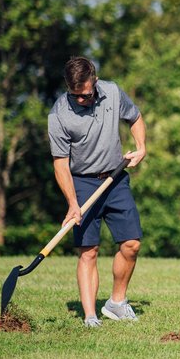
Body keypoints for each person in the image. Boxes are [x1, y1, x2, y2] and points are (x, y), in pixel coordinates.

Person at [47, 56, 147, 328]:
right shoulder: (59, 115)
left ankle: (116, 302)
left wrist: (141, 147)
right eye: (75, 95)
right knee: (88, 251)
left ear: (95, 81)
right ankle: (90, 316)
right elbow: (60, 165)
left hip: (115, 179)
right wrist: (71, 203)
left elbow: (135, 117)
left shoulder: (112, 92)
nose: (82, 100)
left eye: (87, 94)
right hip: (81, 182)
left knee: (131, 244)